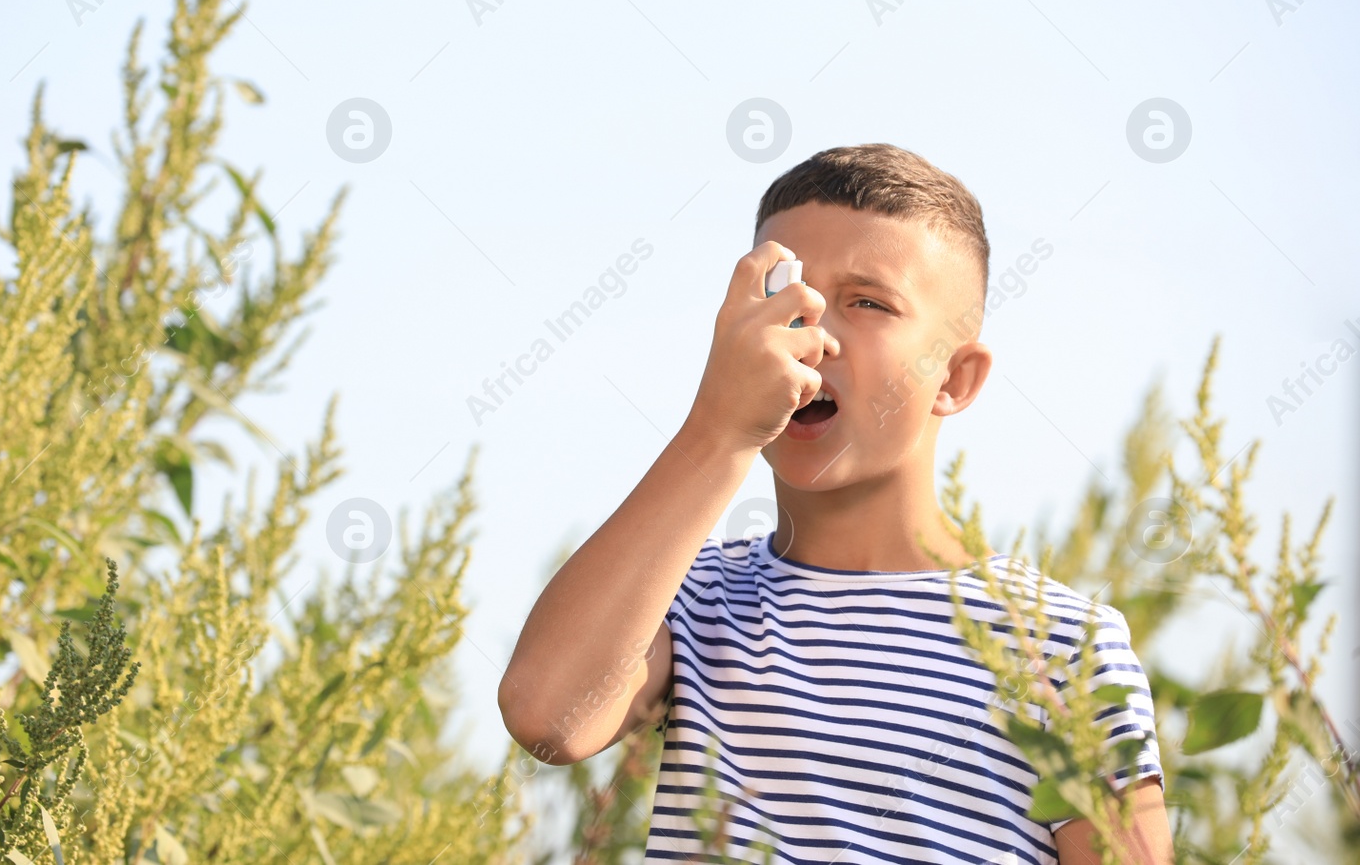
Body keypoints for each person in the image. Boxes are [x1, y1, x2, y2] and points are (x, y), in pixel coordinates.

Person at [498, 143, 1171, 863]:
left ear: (955, 377)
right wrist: (716, 430)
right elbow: (548, 716)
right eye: (783, 294)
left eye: (869, 303)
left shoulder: (1062, 644)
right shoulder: (694, 602)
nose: (810, 336)